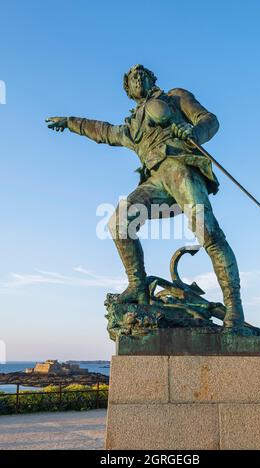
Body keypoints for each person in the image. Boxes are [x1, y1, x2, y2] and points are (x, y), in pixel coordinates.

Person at [46, 64, 244, 330]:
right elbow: (102, 131)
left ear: (152, 79)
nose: (137, 76)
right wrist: (70, 122)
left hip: (180, 168)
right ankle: (137, 285)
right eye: (132, 77)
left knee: (209, 233)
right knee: (118, 223)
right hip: (154, 182)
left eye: (143, 74)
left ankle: (234, 308)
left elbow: (210, 120)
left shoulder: (174, 97)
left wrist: (194, 132)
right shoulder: (131, 128)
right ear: (128, 89)